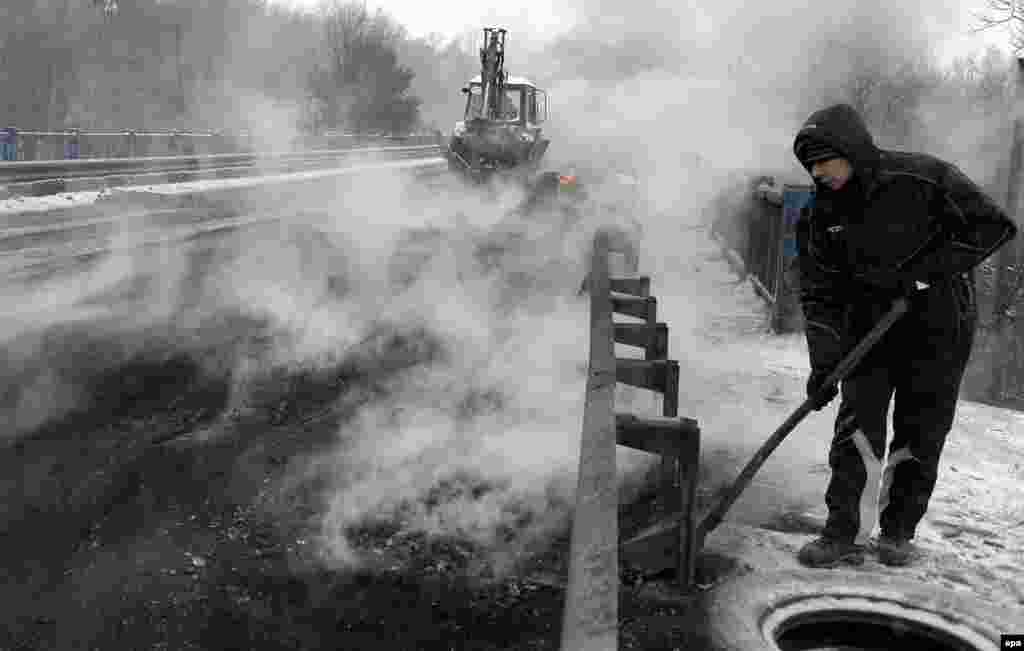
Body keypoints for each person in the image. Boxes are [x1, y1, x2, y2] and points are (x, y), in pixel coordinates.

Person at [792, 103, 1017, 568]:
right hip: (869, 333)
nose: (818, 172)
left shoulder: (923, 179)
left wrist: (924, 273)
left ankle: (897, 532)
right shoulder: (819, 215)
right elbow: (819, 293)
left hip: (940, 329)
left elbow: (994, 224)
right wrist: (825, 363)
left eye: (824, 160)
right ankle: (843, 532)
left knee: (921, 432)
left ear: (852, 150)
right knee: (857, 430)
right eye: (810, 164)